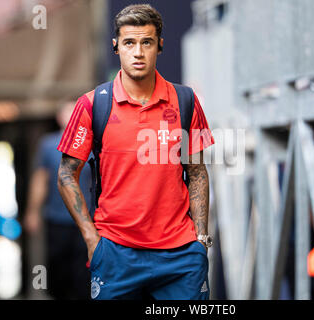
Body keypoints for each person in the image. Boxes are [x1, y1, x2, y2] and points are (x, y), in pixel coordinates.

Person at [56, 4, 215, 300]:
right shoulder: (92, 105)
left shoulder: (185, 101)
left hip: (180, 257)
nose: (138, 52)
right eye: (129, 43)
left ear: (160, 46)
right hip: (116, 254)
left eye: (147, 42)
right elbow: (66, 174)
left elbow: (197, 172)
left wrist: (201, 240)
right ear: (116, 46)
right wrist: (92, 239)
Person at [24, 102, 92, 300]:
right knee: (57, 268)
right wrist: (33, 211)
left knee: (83, 271)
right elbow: (40, 180)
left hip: (87, 220)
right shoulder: (48, 144)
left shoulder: (92, 143)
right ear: (59, 117)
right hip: (56, 218)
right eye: (67, 113)